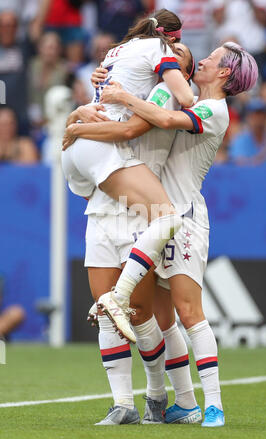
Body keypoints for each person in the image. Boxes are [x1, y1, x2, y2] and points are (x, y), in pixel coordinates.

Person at [64, 41, 258, 426]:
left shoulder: (207, 108)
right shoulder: (169, 93)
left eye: (208, 58)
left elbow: (155, 122)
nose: (201, 57)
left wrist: (96, 113)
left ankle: (211, 405)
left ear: (223, 73)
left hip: (179, 215)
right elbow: (135, 107)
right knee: (162, 317)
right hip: (153, 209)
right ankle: (181, 402)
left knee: (187, 313)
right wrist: (101, 90)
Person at [61, 9, 194, 344]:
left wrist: (78, 123)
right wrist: (81, 116)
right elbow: (125, 121)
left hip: (103, 169)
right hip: (115, 173)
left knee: (153, 314)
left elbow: (130, 120)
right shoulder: (155, 72)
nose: (174, 55)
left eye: (182, 57)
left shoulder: (138, 72)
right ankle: (117, 299)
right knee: (147, 310)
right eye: (175, 49)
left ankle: (147, 397)